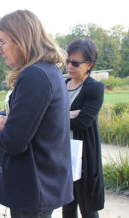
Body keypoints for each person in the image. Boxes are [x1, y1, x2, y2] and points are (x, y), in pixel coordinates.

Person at [0, 10, 73, 218]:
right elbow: (24, 121)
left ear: (21, 39)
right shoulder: (47, 71)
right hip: (41, 184)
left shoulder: (35, 76)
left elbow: (14, 141)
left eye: (3, 42)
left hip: (34, 186)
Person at [62, 39, 105, 218]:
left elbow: (83, 122)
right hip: (63, 153)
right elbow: (46, 114)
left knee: (87, 207)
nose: (70, 66)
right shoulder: (62, 85)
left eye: (76, 63)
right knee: (67, 205)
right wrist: (68, 115)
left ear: (89, 65)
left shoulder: (94, 88)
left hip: (84, 156)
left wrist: (58, 117)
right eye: (67, 61)